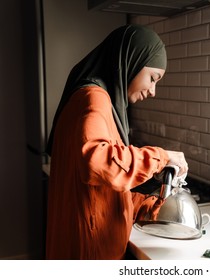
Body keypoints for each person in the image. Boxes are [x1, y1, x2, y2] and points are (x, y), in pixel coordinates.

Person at [45, 24, 188, 260]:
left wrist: (152, 207)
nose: (153, 91)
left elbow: (100, 192)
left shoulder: (97, 100)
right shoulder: (94, 97)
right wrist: (162, 157)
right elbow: (97, 163)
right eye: (153, 78)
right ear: (131, 61)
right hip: (90, 252)